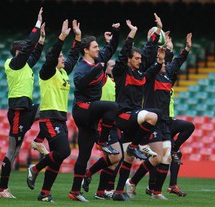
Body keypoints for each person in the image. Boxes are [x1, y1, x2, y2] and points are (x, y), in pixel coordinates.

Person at [131, 33, 192, 200]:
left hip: (165, 122)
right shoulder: (150, 77)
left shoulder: (167, 76)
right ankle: (133, 181)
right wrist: (157, 45)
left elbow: (177, 62)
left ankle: (157, 192)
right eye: (162, 63)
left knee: (166, 158)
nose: (165, 65)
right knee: (157, 158)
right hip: (153, 121)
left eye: (165, 63)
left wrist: (186, 49)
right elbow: (150, 60)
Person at [26, 19, 81, 202]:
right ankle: (35, 169)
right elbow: (53, 56)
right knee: (63, 151)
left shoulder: (63, 72)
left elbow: (73, 55)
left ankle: (45, 194)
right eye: (60, 57)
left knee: (58, 157)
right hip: (49, 117)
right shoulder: (47, 72)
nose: (63, 58)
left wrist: (78, 37)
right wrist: (62, 37)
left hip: (60, 118)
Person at [112, 19, 165, 202]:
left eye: (140, 59)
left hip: (134, 119)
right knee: (154, 115)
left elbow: (150, 53)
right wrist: (132, 33)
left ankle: (119, 192)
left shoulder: (141, 75)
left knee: (128, 159)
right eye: (136, 58)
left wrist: (158, 31)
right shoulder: (121, 72)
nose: (140, 60)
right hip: (123, 115)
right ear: (129, 60)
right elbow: (123, 53)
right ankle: (137, 145)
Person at [68, 22, 121, 202]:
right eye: (95, 47)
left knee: (84, 155)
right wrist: (96, 70)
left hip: (90, 114)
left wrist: (114, 32)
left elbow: (111, 48)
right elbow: (79, 84)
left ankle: (75, 191)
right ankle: (104, 140)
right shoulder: (82, 66)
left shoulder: (98, 61)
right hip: (82, 109)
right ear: (86, 50)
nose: (99, 49)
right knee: (113, 107)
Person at [0, 8, 45, 199]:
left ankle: (39, 141)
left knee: (48, 110)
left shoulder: (24, 65)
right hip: (17, 110)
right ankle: (1, 189)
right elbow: (29, 50)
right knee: (13, 150)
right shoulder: (14, 63)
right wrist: (37, 23)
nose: (29, 51)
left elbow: (35, 54)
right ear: (18, 52)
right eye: (25, 49)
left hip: (26, 108)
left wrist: (41, 39)